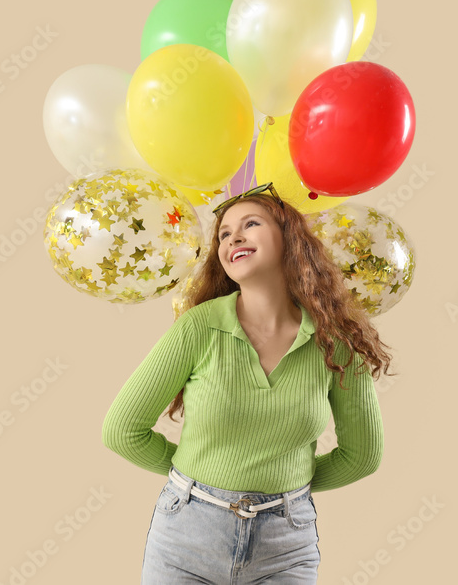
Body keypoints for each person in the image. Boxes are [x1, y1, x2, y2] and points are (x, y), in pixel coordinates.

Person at [101, 182, 395, 584]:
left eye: (250, 224)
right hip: (186, 538)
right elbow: (121, 431)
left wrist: (286, 491)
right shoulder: (198, 328)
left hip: (286, 545)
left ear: (289, 238)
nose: (233, 238)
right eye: (224, 234)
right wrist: (195, 482)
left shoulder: (336, 342)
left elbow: (362, 456)